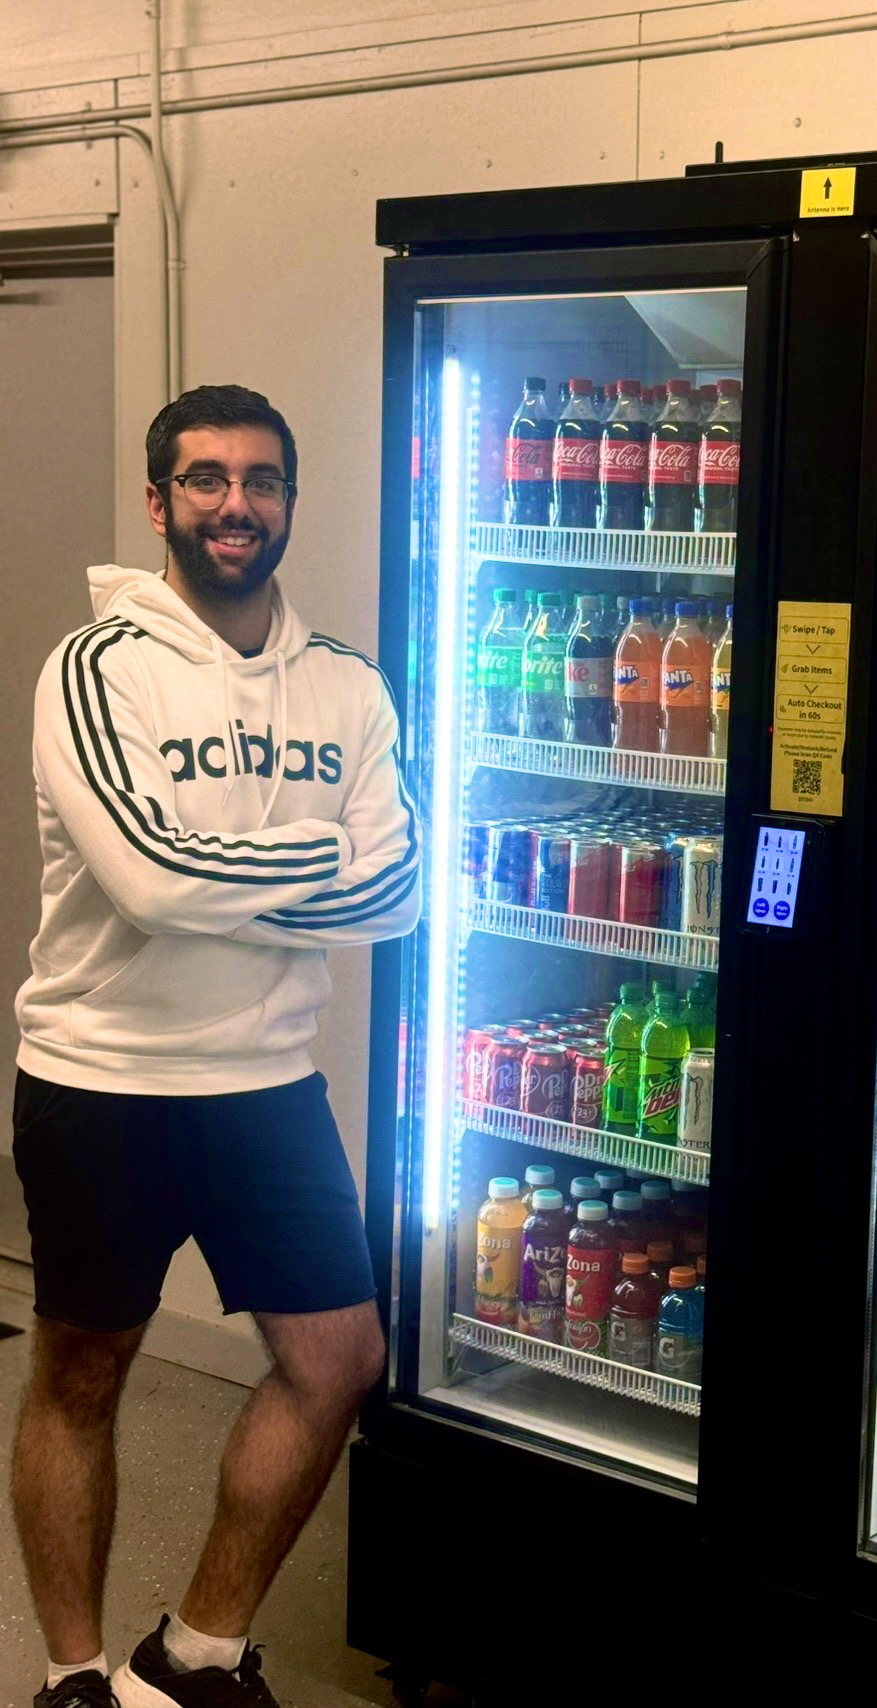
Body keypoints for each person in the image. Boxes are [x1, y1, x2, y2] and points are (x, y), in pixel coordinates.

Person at [10, 384, 422, 1707]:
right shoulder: (92, 669)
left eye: (261, 480)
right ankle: (72, 1673)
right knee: (83, 1368)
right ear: (158, 502)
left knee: (339, 1361)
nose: (234, 504)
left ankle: (192, 1651)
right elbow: (146, 882)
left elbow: (403, 891)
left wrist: (230, 867)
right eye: (204, 480)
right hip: (100, 1082)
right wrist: (313, 854)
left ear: (290, 503)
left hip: (268, 1087)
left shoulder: (348, 682)